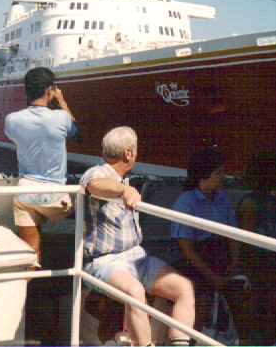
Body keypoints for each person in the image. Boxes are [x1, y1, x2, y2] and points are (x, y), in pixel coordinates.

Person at [80, 126, 195, 347]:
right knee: (135, 292)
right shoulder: (98, 173)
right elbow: (94, 184)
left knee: (184, 288)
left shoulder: (124, 180)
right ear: (128, 153)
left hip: (136, 256)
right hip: (105, 260)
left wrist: (125, 188)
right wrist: (124, 191)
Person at [4, 66, 81, 263]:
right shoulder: (61, 117)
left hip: (24, 195)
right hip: (55, 198)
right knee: (91, 205)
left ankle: (25, 288)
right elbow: (78, 136)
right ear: (50, 91)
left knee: (31, 254)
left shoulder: (12, 120)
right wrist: (62, 102)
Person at [169, 148, 244, 333]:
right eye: (219, 172)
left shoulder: (222, 199)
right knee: (204, 298)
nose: (223, 176)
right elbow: (186, 248)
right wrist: (213, 277)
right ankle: (189, 341)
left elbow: (232, 236)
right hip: (191, 262)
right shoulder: (185, 202)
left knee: (246, 294)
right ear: (203, 174)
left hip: (217, 257)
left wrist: (233, 264)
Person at [236, 151, 276, 344]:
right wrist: (271, 273)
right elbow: (247, 245)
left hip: (270, 264)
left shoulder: (270, 200)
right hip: (257, 268)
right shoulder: (251, 204)